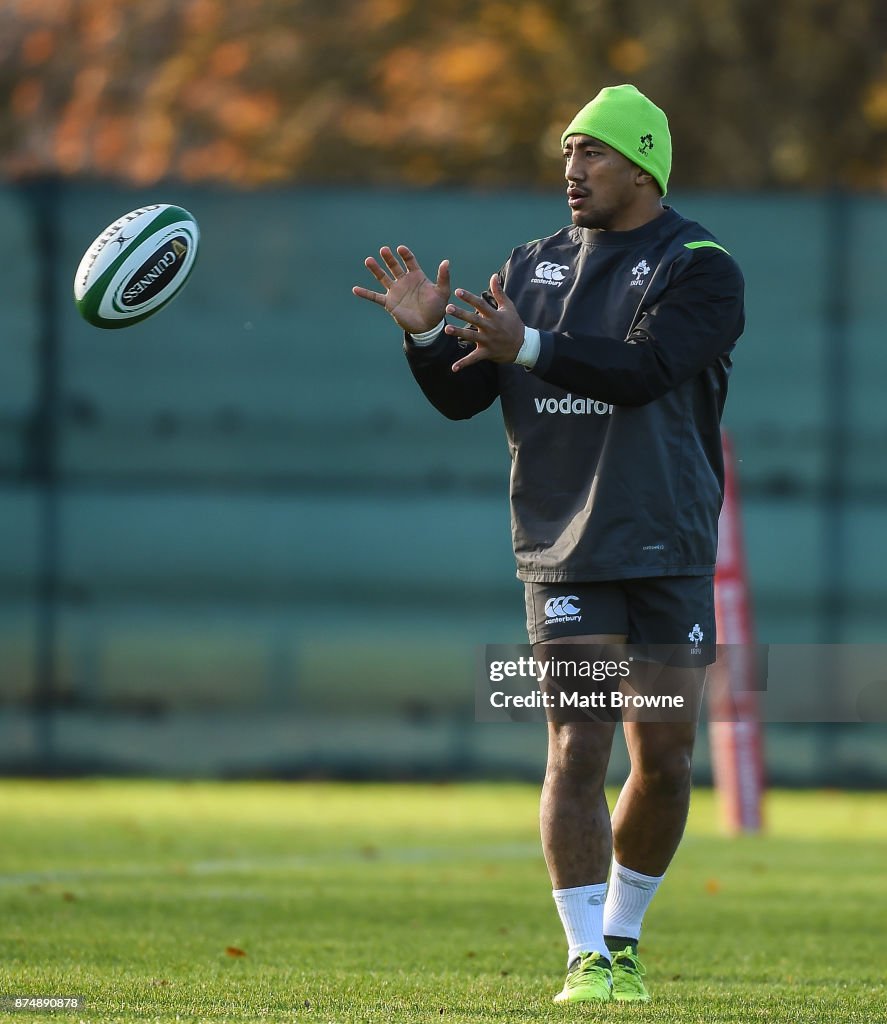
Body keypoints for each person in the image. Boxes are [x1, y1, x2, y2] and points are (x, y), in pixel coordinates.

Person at [353, 83, 745, 1004]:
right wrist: (421, 342)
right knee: (576, 747)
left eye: (592, 153)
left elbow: (645, 370)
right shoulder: (527, 266)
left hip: (669, 543)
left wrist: (527, 348)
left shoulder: (700, 265)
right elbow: (465, 396)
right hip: (561, 544)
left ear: (644, 162)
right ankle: (585, 958)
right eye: (566, 153)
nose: (571, 170)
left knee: (667, 755)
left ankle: (623, 936)